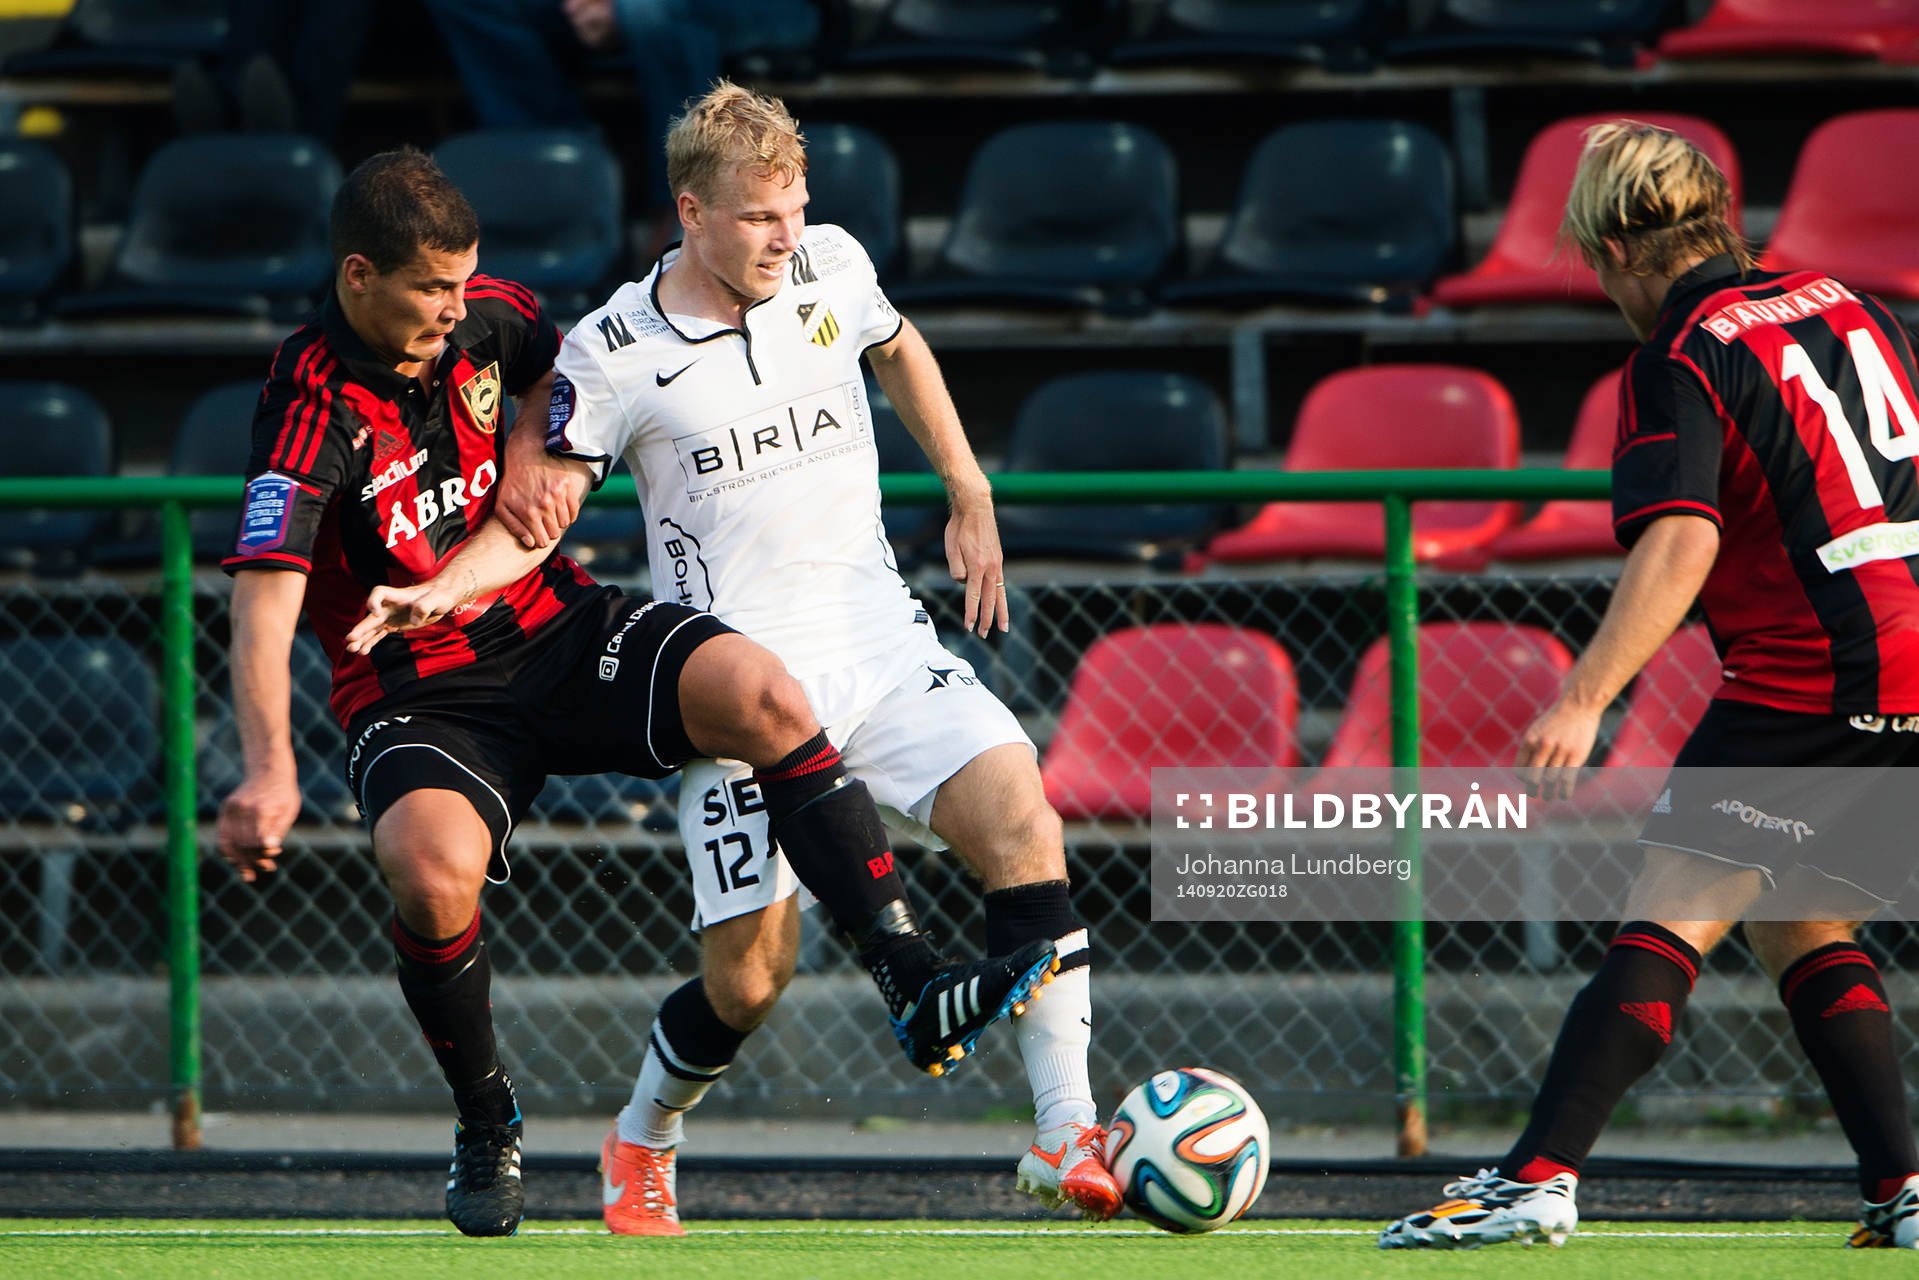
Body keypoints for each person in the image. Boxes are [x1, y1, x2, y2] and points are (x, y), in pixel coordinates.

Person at [217, 147, 1057, 1240]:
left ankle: (909, 973)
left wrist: (526, 447)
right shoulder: (307, 403)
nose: (452, 307)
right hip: (416, 685)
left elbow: (551, 384)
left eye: (463, 282)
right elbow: (264, 592)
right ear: (357, 275)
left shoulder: (492, 314)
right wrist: (271, 768)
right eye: (430, 288)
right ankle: (487, 1117)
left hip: (555, 627)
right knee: (429, 876)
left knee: (760, 686)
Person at [1380, 121, 1919, 1251]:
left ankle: (1534, 1174)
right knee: (1798, 916)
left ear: (1620, 246)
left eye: (1591, 260)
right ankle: (1899, 1186)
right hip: (1906, 660)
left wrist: (1582, 697)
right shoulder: (1847, 303)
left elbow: (1679, 538)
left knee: (1669, 910)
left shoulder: (1681, 352)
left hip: (1816, 667)